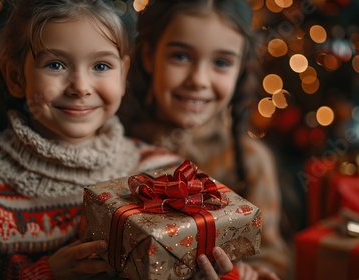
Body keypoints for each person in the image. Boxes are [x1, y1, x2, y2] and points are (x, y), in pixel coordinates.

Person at [0, 0, 234, 279]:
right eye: (55, 65)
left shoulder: (166, 176)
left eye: (101, 66)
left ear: (123, 74)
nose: (80, 86)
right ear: (16, 77)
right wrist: (45, 273)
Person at [119, 0, 290, 279]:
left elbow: (272, 259)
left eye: (221, 62)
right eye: (181, 57)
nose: (198, 79)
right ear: (150, 56)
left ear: (240, 68)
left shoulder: (250, 161)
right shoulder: (114, 145)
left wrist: (250, 273)